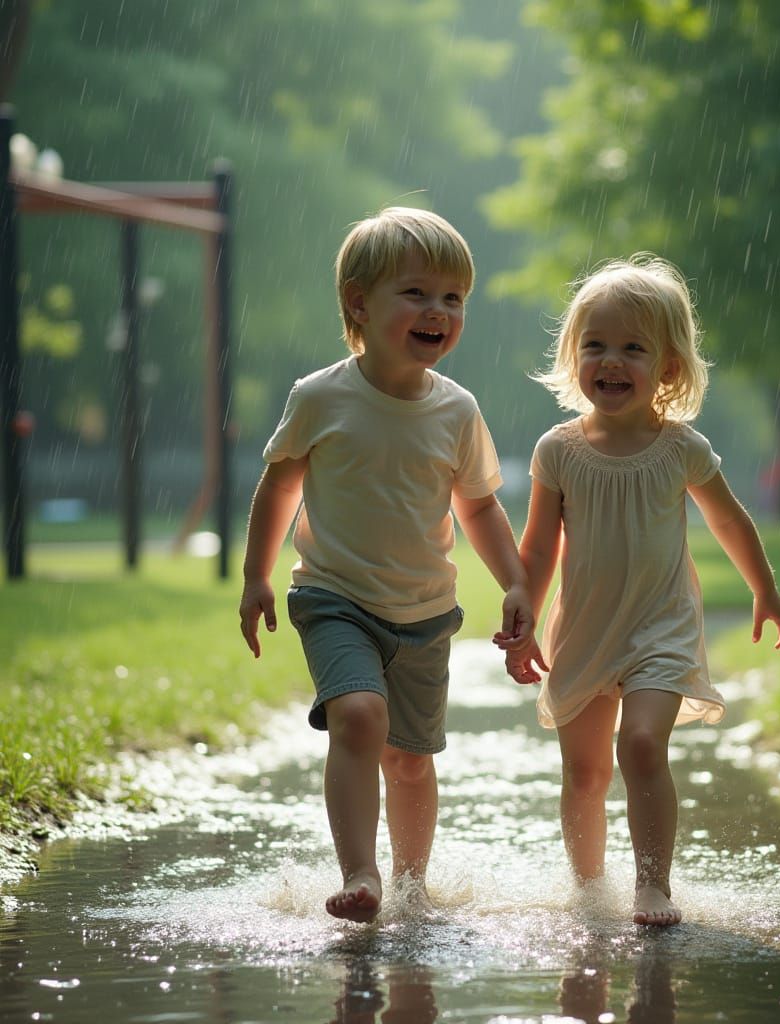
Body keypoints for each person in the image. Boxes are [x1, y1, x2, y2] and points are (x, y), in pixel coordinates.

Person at [239, 207, 532, 924]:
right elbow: (279, 483)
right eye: (418, 293)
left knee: (409, 757)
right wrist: (256, 576)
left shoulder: (457, 410)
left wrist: (517, 580)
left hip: (426, 613)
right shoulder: (320, 397)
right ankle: (361, 873)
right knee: (360, 718)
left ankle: (410, 883)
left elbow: (480, 508)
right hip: (334, 597)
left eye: (453, 297)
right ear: (358, 304)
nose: (439, 311)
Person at [495, 254, 780, 927]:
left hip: (660, 627)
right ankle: (589, 888)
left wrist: (765, 589)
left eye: (633, 347)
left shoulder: (680, 449)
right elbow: (540, 547)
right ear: (575, 356)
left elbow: (728, 518)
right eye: (595, 345)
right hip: (583, 631)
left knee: (639, 745)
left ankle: (651, 885)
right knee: (585, 774)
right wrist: (522, 614)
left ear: (667, 366)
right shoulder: (558, 451)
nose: (611, 360)